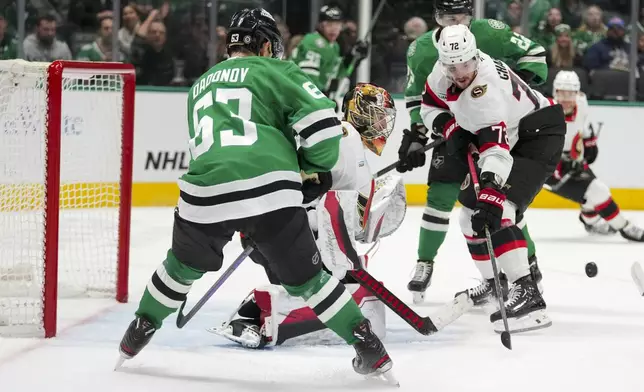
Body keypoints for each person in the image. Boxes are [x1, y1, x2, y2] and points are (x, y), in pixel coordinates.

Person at [117, 8, 395, 380]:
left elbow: (213, 152)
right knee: (310, 281)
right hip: (270, 193)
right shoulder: (277, 71)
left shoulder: (199, 84)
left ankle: (137, 333)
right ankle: (368, 346)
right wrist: (309, 169)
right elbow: (327, 135)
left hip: (203, 194)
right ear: (264, 44)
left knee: (179, 268)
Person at [210, 83, 406, 349]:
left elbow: (347, 212)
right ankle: (263, 314)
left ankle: (259, 309)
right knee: (332, 289)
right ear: (359, 112)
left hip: (279, 231)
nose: (382, 125)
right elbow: (323, 199)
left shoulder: (348, 144)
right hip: (281, 235)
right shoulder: (343, 135)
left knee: (334, 287)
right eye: (377, 116)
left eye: (385, 119)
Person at [400, 0, 547, 304]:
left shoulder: (490, 33)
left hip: (497, 130)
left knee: (502, 203)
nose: (454, 20)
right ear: (436, 17)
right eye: (446, 15)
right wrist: (417, 134)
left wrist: (514, 94)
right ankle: (427, 262)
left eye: (461, 14)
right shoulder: (422, 49)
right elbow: (418, 98)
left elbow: (535, 53)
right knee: (440, 195)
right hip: (451, 131)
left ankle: (529, 272)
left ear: (471, 15)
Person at [423, 24, 565, 332]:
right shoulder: (441, 70)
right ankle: (495, 284)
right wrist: (450, 128)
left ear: (475, 56)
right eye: (452, 66)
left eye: (465, 64)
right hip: (510, 133)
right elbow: (430, 105)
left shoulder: (486, 93)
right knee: (468, 218)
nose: (460, 73)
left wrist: (491, 189)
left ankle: (528, 291)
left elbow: (496, 151)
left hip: (537, 133)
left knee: (499, 209)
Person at [544, 71, 644, 242]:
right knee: (598, 191)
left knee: (592, 195)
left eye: (570, 93)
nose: (566, 99)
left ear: (577, 93)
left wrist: (588, 143)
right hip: (550, 169)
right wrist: (560, 165)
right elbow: (537, 151)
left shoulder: (582, 103)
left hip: (574, 161)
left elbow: (581, 129)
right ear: (555, 92)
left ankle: (590, 220)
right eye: (561, 93)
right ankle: (625, 227)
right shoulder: (545, 113)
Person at [289, 4, 368, 96]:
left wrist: (352, 58)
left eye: (337, 25)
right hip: (297, 95)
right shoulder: (313, 41)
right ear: (320, 25)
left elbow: (338, 74)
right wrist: (323, 98)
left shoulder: (334, 46)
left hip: (310, 96)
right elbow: (308, 80)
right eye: (329, 24)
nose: (334, 29)